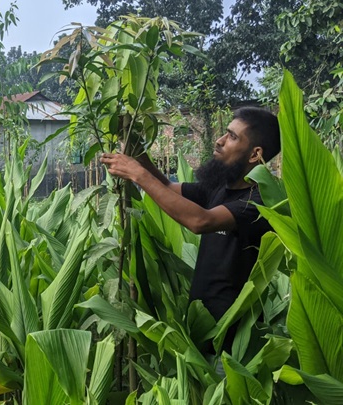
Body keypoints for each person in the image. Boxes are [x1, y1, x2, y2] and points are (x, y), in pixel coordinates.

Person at [100, 107, 281, 353]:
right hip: (202, 325)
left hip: (233, 336)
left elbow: (201, 222)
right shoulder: (221, 188)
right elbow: (166, 186)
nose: (219, 140)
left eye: (232, 136)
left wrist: (137, 174)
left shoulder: (260, 200)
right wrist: (134, 144)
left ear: (255, 154)